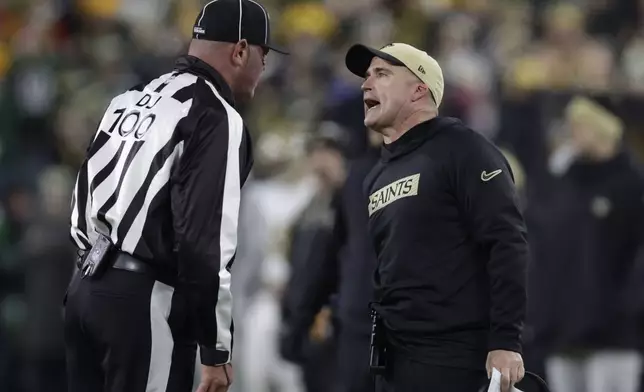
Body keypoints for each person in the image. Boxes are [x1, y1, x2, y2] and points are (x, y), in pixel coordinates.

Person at [63, 1, 287, 391]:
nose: (263, 66)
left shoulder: (129, 98)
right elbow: (204, 243)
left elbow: (82, 195)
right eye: (262, 54)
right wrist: (216, 349)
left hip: (84, 287)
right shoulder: (215, 115)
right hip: (143, 301)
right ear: (240, 50)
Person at [344, 42, 529, 392]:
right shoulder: (376, 177)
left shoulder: (465, 150)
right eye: (366, 77)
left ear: (419, 89)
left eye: (382, 74)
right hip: (394, 358)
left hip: (455, 356)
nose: (366, 84)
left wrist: (506, 341)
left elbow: (506, 243)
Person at [532, 96, 644, 392]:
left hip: (613, 334)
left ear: (604, 127)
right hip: (564, 331)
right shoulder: (561, 184)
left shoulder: (632, 185)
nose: (573, 131)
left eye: (580, 124)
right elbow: (544, 251)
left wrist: (625, 309)